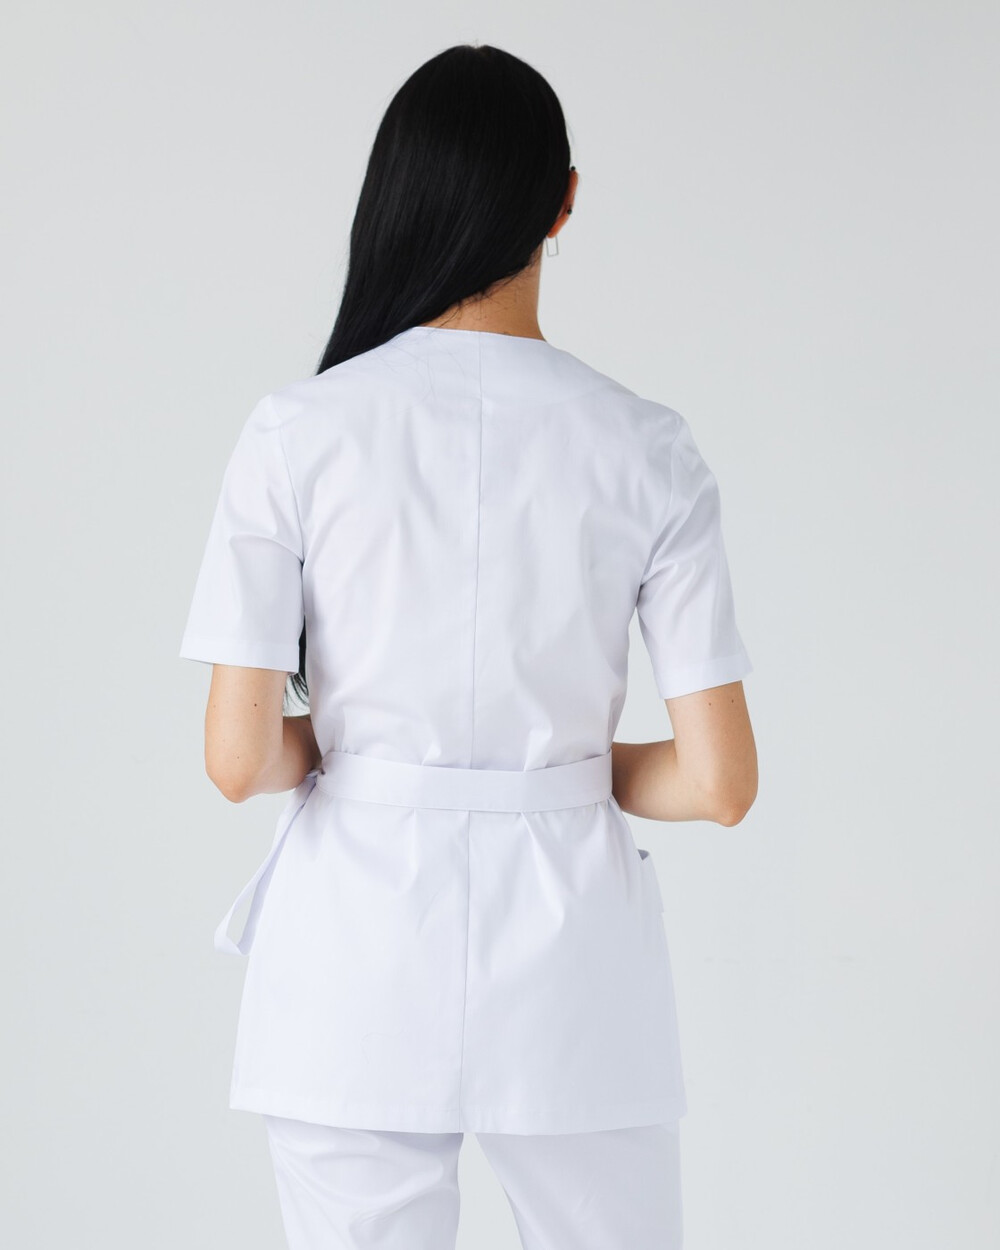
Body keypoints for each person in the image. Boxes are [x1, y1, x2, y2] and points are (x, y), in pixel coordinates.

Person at [178, 42, 757, 1250]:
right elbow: (718, 781)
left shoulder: (297, 431)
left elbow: (237, 759)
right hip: (576, 962)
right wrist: (553, 769)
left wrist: (361, 744)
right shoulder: (649, 448)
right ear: (563, 202)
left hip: (351, 958)